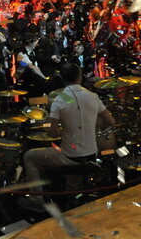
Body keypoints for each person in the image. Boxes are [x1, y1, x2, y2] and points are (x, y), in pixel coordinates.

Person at [19, 63, 114, 211]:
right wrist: (94, 127)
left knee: (29, 156)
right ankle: (73, 195)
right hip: (92, 154)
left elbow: (51, 133)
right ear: (80, 76)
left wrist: (62, 130)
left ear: (62, 79)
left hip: (70, 156)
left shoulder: (60, 99)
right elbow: (110, 121)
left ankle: (36, 200)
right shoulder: (92, 96)